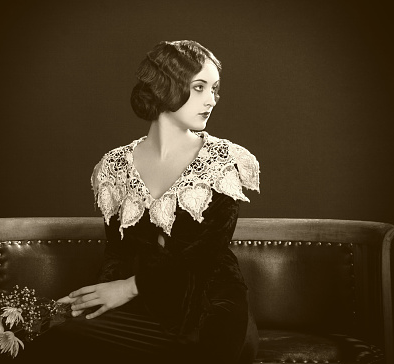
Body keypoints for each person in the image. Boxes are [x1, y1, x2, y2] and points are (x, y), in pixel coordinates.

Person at [25, 40, 260, 364]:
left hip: (212, 305)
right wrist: (97, 298)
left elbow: (206, 255)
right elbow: (118, 252)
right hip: (145, 305)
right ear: (166, 88)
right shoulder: (114, 165)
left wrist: (130, 287)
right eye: (200, 87)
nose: (211, 100)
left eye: (214, 89)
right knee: (52, 343)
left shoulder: (224, 160)